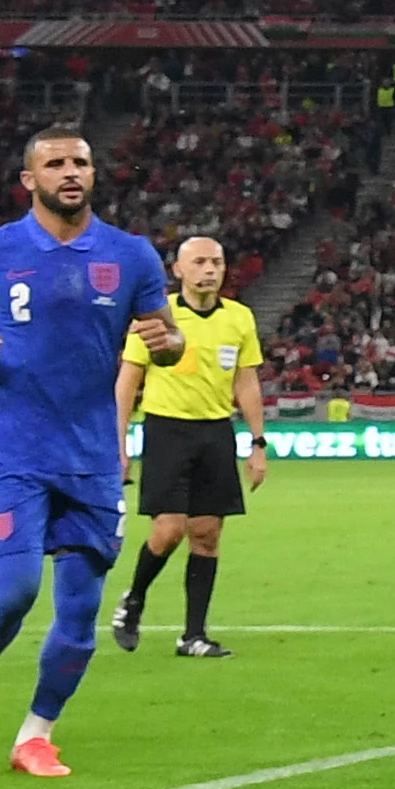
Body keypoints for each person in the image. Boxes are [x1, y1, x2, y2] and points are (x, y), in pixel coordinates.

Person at [0, 127, 184, 777]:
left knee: (78, 616)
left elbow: (171, 340)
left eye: (81, 162)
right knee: (13, 591)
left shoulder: (131, 256)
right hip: (15, 450)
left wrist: (167, 343)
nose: (70, 171)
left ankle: (36, 734)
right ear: (29, 179)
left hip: (95, 458)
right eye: (55, 163)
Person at [111, 236, 268, 657]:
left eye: (216, 261)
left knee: (208, 534)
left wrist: (258, 442)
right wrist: (119, 441)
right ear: (178, 270)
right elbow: (128, 380)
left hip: (216, 431)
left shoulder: (239, 318)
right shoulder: (155, 317)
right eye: (199, 262)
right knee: (168, 530)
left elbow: (246, 381)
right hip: (167, 429)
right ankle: (134, 600)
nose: (210, 269)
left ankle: (193, 635)